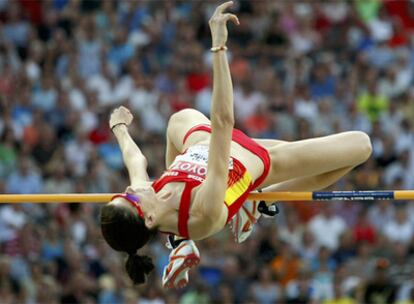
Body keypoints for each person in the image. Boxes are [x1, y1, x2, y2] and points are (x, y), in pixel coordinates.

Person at [100, 1, 372, 289]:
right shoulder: (203, 210)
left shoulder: (146, 196)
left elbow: (135, 161)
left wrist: (118, 128)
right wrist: (218, 46)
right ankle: (266, 198)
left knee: (179, 119)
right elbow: (223, 121)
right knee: (360, 146)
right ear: (150, 217)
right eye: (129, 198)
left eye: (121, 193)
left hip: (205, 145)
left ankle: (182, 240)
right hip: (255, 160)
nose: (129, 189)